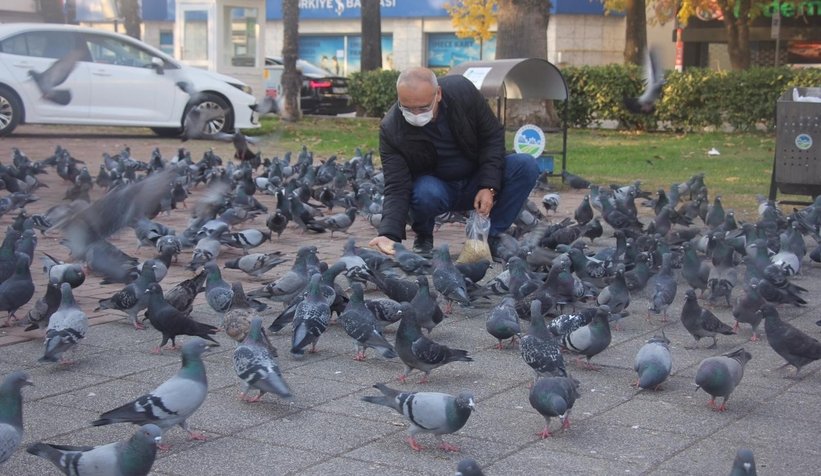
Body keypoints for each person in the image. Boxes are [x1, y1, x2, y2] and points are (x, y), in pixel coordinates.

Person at [368, 67, 539, 259]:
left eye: (424, 108)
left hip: (476, 177)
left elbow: (492, 137)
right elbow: (396, 185)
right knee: (424, 192)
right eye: (407, 108)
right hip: (437, 187)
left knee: (526, 166)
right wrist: (388, 234)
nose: (416, 115)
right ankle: (424, 235)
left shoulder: (462, 92)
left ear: (438, 94)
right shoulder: (391, 129)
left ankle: (489, 235)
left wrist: (488, 186)